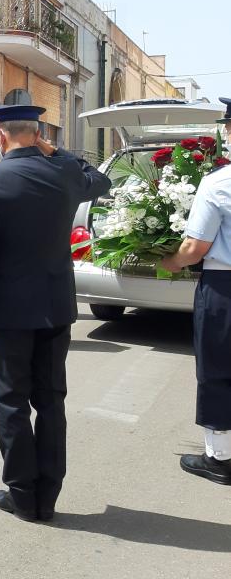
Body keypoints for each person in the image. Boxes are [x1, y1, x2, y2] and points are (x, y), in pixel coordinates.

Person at [0, 105, 111, 521]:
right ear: (39, 133)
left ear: (0, 135)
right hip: (56, 307)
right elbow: (102, 179)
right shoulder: (64, 174)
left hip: (8, 314)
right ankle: (48, 493)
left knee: (12, 401)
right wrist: (58, 151)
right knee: (51, 401)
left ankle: (22, 493)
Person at [160, 96, 231, 486]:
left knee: (218, 369)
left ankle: (219, 458)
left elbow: (195, 248)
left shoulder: (219, 182)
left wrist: (170, 262)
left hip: (224, 286)